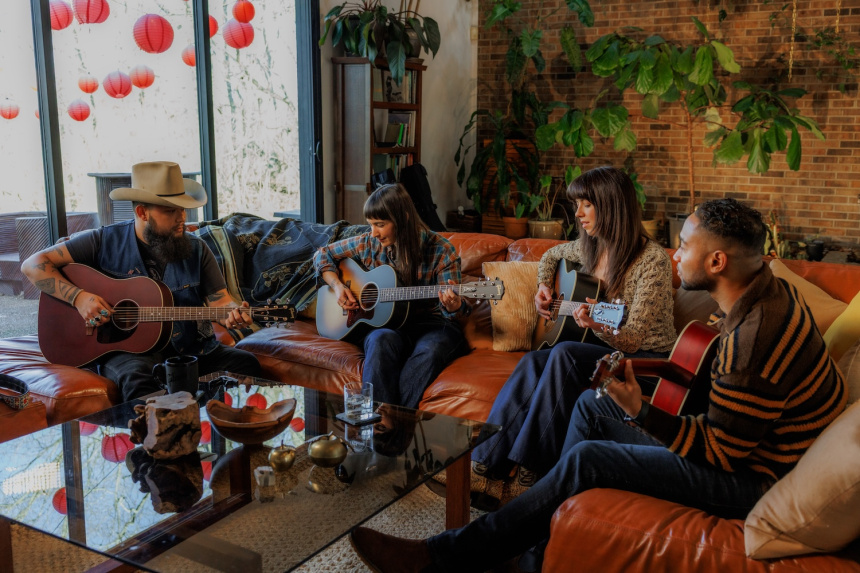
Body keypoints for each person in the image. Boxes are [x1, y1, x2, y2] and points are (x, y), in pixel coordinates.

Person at [348, 197, 847, 572]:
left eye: (687, 246)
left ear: (718, 262)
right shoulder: (767, 291)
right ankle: (537, 545)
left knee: (589, 455)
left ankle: (445, 558)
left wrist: (643, 412)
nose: (677, 254)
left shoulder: (755, 337)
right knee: (589, 404)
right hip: (742, 445)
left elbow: (721, 454)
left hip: (752, 480)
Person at [471, 166, 677, 491]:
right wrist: (543, 288)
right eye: (577, 204)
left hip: (645, 359)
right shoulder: (591, 246)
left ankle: (531, 470)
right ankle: (483, 462)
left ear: (611, 205)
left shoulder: (652, 260)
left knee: (564, 353)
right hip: (603, 346)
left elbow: (634, 338)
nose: (577, 213)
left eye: (586, 204)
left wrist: (596, 323)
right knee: (532, 362)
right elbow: (552, 254)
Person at [21, 161, 261, 401]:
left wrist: (234, 313)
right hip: (129, 351)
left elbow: (221, 303)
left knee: (245, 363)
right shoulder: (103, 241)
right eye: (170, 210)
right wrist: (79, 298)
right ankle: (153, 436)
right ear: (142, 212)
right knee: (138, 380)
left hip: (191, 349)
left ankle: (217, 432)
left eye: (183, 208)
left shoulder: (197, 249)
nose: (182, 217)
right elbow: (32, 264)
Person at [313, 183, 470, 409]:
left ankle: (391, 425)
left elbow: (456, 311)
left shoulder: (442, 250)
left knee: (431, 352)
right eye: (371, 225)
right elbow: (322, 255)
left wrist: (453, 305)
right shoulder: (368, 242)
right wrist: (338, 286)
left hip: (433, 324)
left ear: (403, 218)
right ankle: (379, 423)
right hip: (390, 324)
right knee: (379, 340)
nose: (374, 233)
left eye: (380, 224)